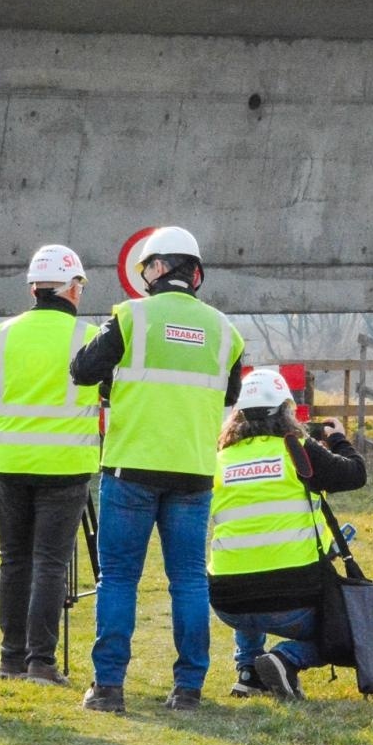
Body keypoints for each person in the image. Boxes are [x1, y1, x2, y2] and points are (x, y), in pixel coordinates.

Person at [69, 226, 244, 714]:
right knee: (188, 579)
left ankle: (108, 689)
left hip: (131, 467)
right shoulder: (226, 331)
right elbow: (229, 395)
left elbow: (82, 370)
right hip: (192, 470)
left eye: (146, 268)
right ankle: (188, 690)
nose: (143, 277)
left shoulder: (130, 318)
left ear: (162, 267)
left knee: (119, 578)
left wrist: (117, 381)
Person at [0, 245, 100, 687]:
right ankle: (41, 662)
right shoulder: (89, 337)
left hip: (10, 461)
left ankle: (10, 659)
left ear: (34, 288)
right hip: (66, 464)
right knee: (50, 562)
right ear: (71, 288)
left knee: (14, 560)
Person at [208, 369, 366, 701]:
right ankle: (286, 658)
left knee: (248, 574)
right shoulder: (298, 450)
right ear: (285, 411)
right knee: (354, 630)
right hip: (291, 602)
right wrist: (337, 438)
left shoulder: (219, 459)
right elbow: (355, 474)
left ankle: (249, 671)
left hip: (228, 603)